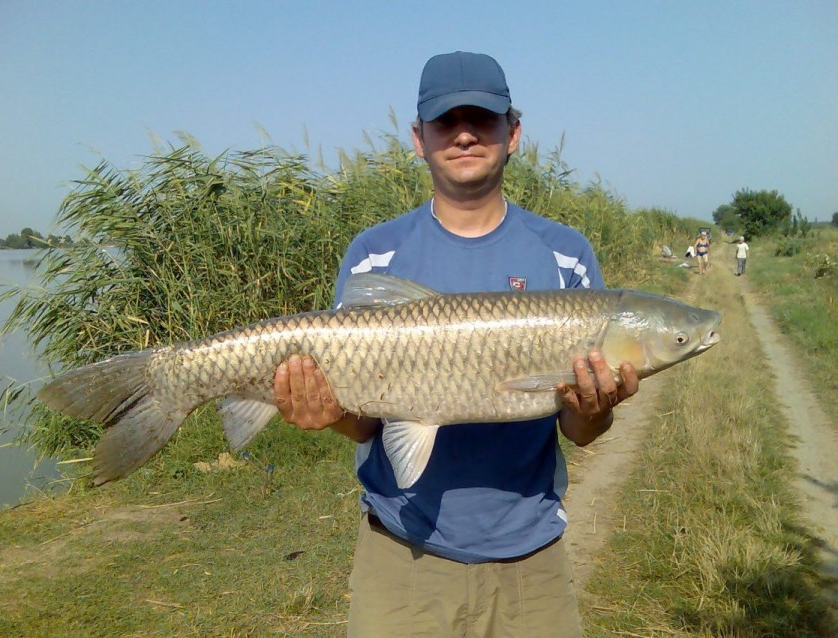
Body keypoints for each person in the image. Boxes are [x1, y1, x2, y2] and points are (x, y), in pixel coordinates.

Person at [272, 51, 640, 637]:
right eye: (446, 122)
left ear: (512, 133)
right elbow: (368, 427)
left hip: (531, 556)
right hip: (403, 554)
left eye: (483, 120)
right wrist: (329, 412)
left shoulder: (566, 254)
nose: (464, 134)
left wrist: (596, 411)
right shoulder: (375, 253)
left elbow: (579, 430)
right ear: (419, 139)